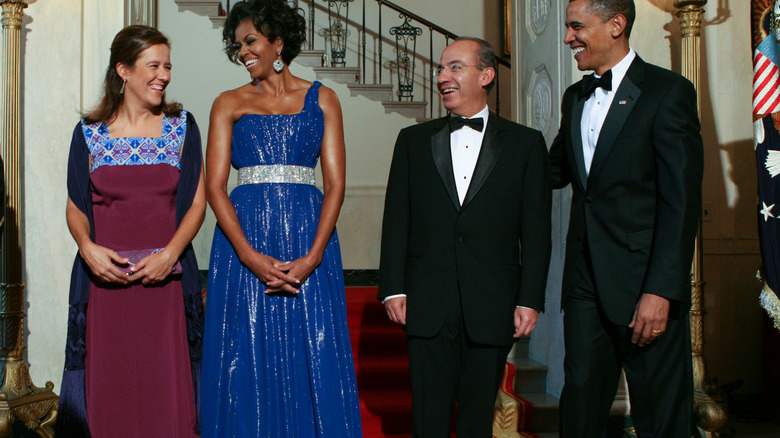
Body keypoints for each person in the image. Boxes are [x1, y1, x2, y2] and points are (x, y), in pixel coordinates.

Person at [200, 1, 362, 436]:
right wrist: (250, 257)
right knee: (244, 351)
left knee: (312, 346)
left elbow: (336, 186)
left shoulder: (323, 98)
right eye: (237, 46)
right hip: (243, 242)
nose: (243, 52)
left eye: (250, 41)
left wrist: (312, 258)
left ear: (278, 42)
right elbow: (215, 187)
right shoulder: (227, 103)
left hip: (309, 237)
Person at [379, 37, 552, 437]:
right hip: (426, 303)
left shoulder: (526, 144)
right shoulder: (412, 141)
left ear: (486, 75)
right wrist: (392, 288)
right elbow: (396, 220)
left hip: (492, 303)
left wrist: (530, 298)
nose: (443, 77)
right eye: (441, 69)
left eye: (454, 67)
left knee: (477, 421)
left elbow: (537, 231)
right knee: (428, 419)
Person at [548, 0, 704, 436]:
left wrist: (661, 290)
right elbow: (554, 171)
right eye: (566, 27)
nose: (568, 38)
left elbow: (681, 201)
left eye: (577, 26)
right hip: (584, 285)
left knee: (660, 416)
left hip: (645, 289)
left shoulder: (668, 91)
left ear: (616, 25)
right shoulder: (574, 96)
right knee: (579, 406)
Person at [56, 25, 206, 437]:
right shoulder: (89, 131)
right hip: (105, 285)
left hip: (167, 281)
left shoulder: (181, 126)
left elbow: (197, 202)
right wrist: (87, 248)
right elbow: (75, 204)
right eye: (153, 65)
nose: (164, 75)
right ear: (123, 70)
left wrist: (171, 255)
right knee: (110, 392)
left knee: (168, 395)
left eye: (168, 66)